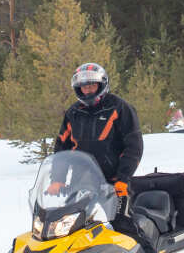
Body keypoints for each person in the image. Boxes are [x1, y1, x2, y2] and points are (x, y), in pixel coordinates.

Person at [55, 62, 143, 199]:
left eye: (92, 86)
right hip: (80, 184)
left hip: (114, 184)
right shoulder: (73, 113)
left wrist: (123, 178)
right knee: (68, 220)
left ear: (101, 85)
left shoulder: (119, 107)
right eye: (84, 87)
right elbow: (62, 146)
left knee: (116, 220)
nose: (88, 90)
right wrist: (57, 179)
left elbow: (134, 146)